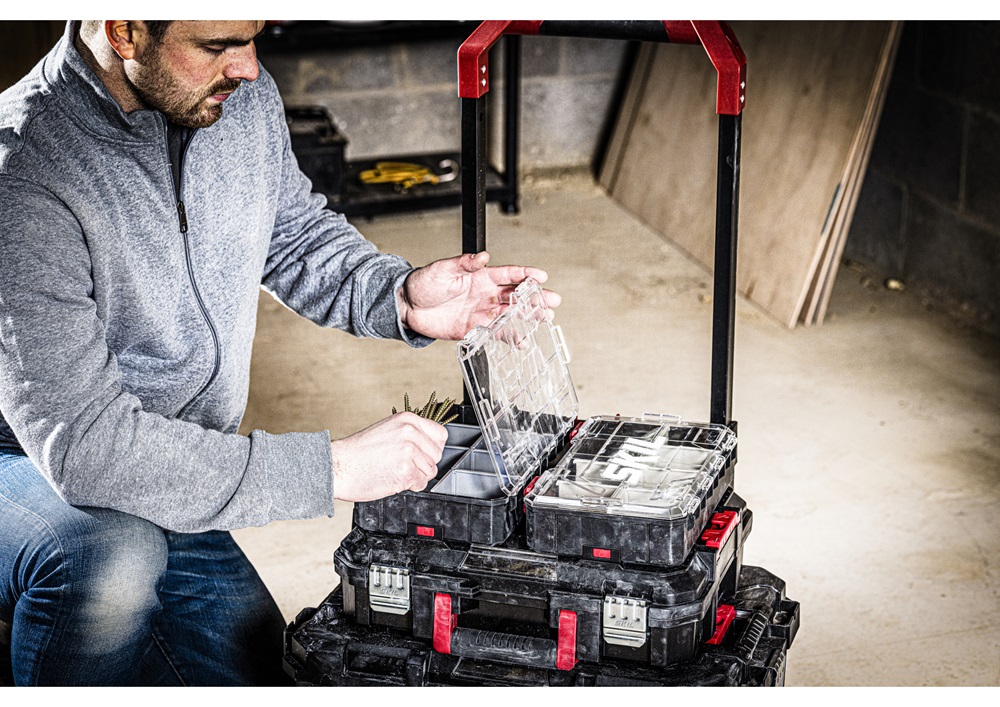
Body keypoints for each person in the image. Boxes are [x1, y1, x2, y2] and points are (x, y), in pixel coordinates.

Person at [0, 20, 559, 686]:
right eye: (218, 46)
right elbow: (89, 448)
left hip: (173, 461)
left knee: (264, 671)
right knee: (111, 563)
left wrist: (401, 296)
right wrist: (329, 468)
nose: (248, 67)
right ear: (125, 32)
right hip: (29, 461)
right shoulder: (25, 172)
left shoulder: (234, 98)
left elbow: (290, 235)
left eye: (252, 36)